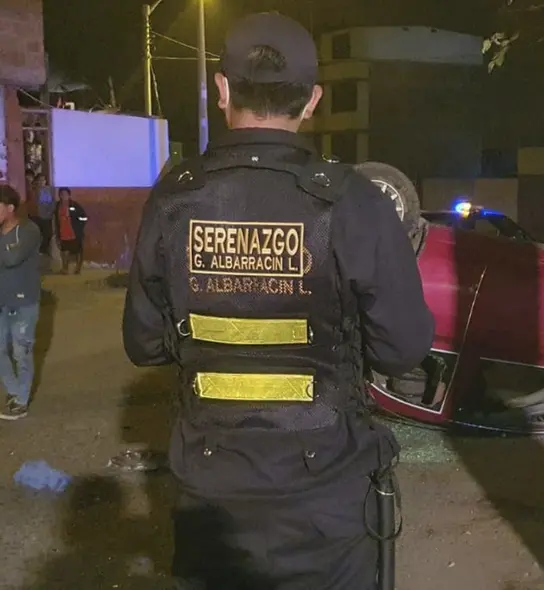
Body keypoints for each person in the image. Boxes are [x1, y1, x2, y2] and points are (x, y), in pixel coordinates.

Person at [121, 12, 434, 590]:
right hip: (325, 503)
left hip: (211, 496)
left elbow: (143, 344)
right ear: (312, 100)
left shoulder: (173, 198)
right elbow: (403, 349)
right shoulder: (353, 201)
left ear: (222, 90)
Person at [0, 185, 42, 420]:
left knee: (21, 353)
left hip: (24, 302)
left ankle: (22, 401)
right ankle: (14, 391)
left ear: (10, 208)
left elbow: (12, 258)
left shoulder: (28, 230)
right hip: (1, 302)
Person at [53, 187, 88, 274]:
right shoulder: (57, 206)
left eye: (65, 194)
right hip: (63, 233)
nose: (63, 196)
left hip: (75, 233)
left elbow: (84, 217)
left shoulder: (74, 205)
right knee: (64, 251)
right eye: (61, 194)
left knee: (78, 251)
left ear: (69, 195)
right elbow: (55, 219)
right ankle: (65, 269)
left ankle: (78, 269)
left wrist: (79, 227)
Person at [33, 173, 55, 255]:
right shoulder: (34, 190)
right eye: (40, 180)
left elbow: (52, 202)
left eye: (43, 180)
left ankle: (43, 249)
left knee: (48, 233)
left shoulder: (49, 190)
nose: (42, 182)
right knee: (36, 233)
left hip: (47, 215)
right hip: (36, 216)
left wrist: (51, 211)